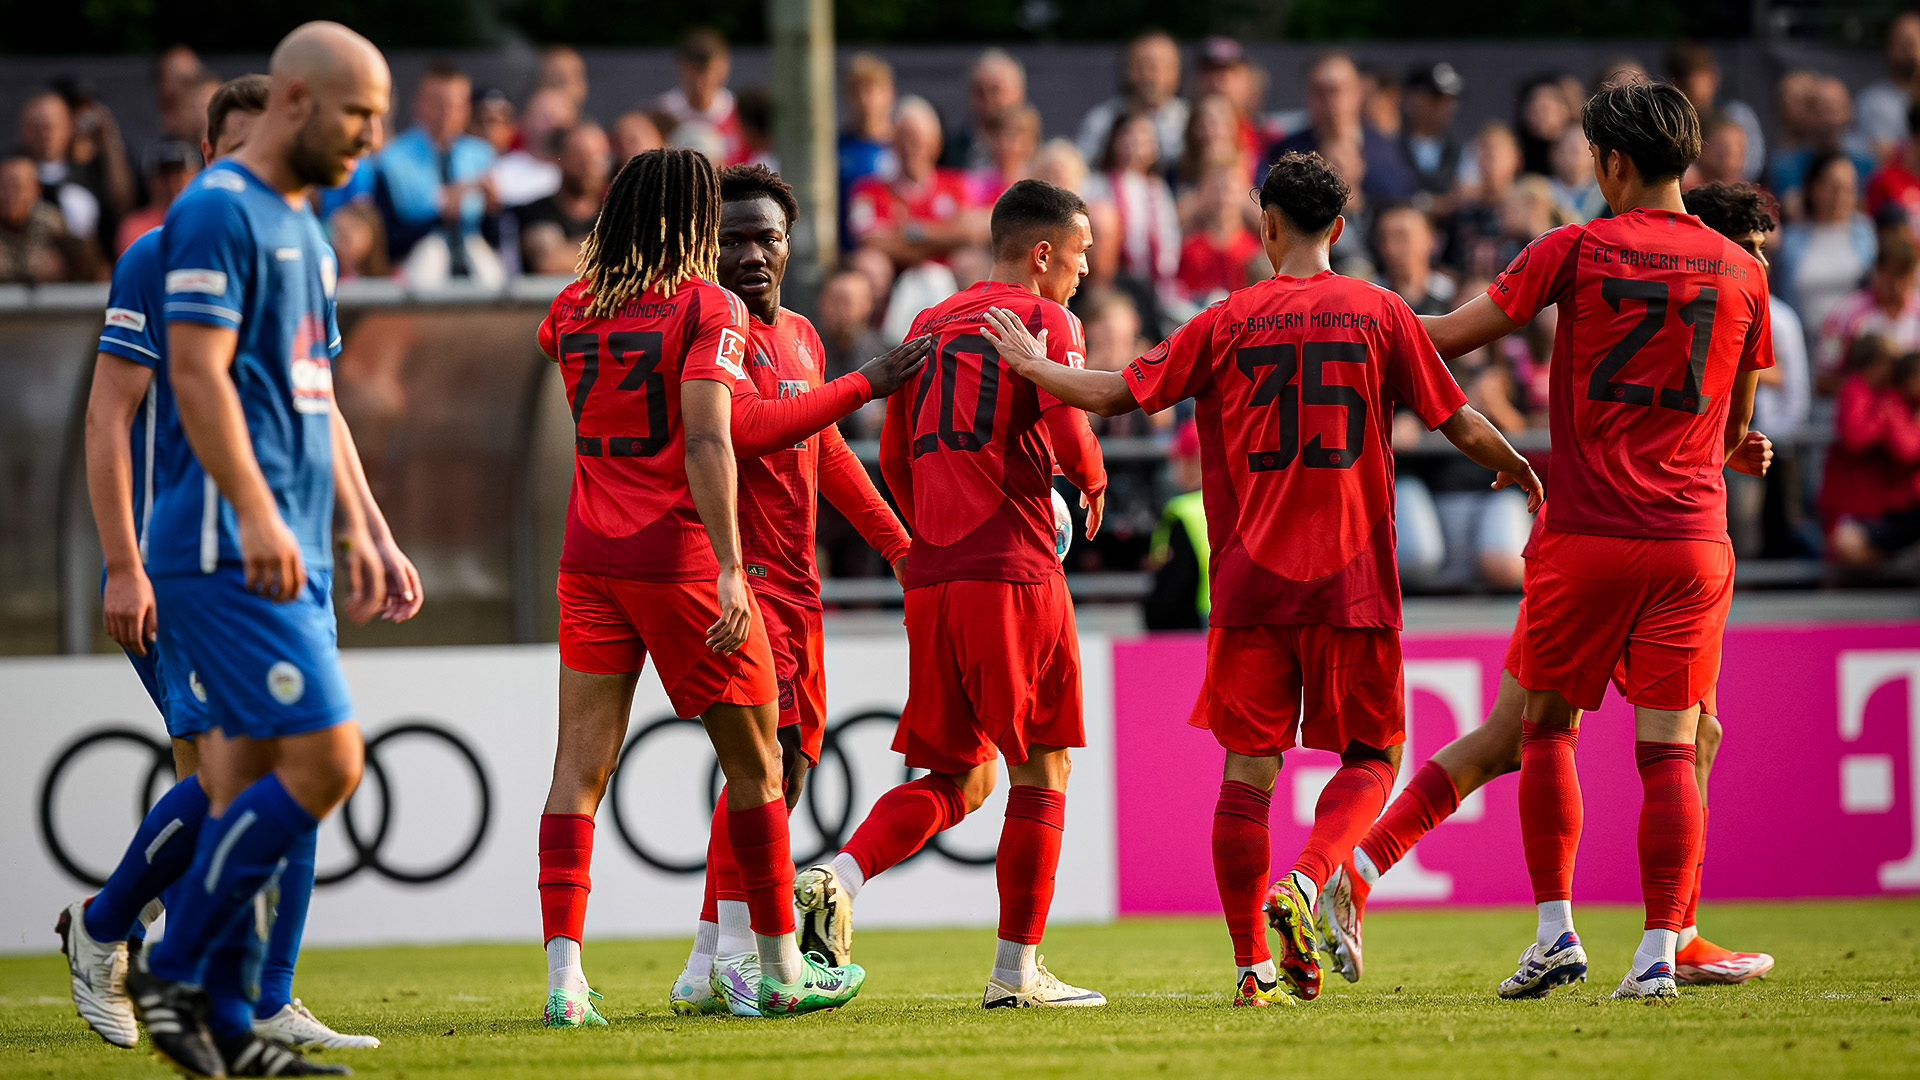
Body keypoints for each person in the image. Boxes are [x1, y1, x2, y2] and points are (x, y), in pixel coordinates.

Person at [981, 151, 1541, 1006]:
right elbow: (1457, 418)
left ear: (1268, 225)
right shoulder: (1380, 312)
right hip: (1351, 579)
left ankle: (1252, 969)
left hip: (1248, 585)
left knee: (1248, 772)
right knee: (1372, 753)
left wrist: (1035, 368)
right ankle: (1312, 879)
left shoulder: (1227, 319)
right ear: (1341, 229)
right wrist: (1521, 470)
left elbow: (1114, 397)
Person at [1320, 178, 1783, 990]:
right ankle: (1657, 937)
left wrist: (1348, 321)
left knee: (1572, 735)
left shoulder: (1584, 251)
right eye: (1747, 248)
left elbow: (1456, 335)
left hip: (1592, 536)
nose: (1748, 263)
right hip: (1675, 537)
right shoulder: (1727, 275)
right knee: (1633, 739)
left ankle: (1654, 933)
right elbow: (1732, 418)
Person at [62, 72, 409, 1064]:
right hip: (209, 556)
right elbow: (112, 414)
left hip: (286, 556)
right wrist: (125, 563)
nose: (364, 138)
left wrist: (369, 532)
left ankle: (242, 995)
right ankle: (135, 938)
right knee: (273, 768)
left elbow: (319, 403)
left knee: (265, 775)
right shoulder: (180, 237)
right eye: (354, 115)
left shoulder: (307, 237)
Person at [532, 147, 869, 1028]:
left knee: (577, 771)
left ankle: (565, 983)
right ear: (691, 220)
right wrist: (729, 565)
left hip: (586, 560)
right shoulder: (706, 305)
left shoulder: (568, 310)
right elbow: (712, 439)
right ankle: (779, 970)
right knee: (760, 766)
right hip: (677, 558)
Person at [792, 179, 1110, 1009]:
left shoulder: (926, 323)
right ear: (1043, 253)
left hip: (935, 577)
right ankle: (1017, 973)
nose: (1082, 274)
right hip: (1012, 569)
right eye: (1078, 257)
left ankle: (839, 874)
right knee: (1044, 762)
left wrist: (934, 526)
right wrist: (1090, 478)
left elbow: (893, 455)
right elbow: (1072, 415)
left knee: (961, 776)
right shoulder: (1044, 319)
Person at [669, 164, 928, 1017]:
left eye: (765, 238)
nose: (750, 254)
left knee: (778, 770)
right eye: (732, 239)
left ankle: (709, 959)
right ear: (707, 249)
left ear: (790, 246)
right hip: (747, 586)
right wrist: (867, 385)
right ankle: (738, 954)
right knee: (768, 769)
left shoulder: (805, 337)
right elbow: (741, 429)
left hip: (802, 591)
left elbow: (825, 451)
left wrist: (898, 548)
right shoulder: (716, 333)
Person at [371, 60, 500, 285]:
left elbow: (494, 237)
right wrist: (440, 213)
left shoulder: (482, 156)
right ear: (419, 103)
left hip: (472, 252)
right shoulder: (391, 160)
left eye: (456, 104)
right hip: (414, 260)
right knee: (431, 258)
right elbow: (389, 239)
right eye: (439, 103)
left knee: (494, 278)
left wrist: (492, 209)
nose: (447, 113)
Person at [845, 96, 985, 276]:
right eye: (902, 139)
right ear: (893, 143)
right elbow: (869, 239)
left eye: (917, 139)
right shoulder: (868, 190)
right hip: (897, 272)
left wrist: (914, 231)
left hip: (948, 272)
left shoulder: (958, 184)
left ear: (935, 144)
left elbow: (969, 234)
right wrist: (938, 241)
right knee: (869, 262)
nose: (910, 148)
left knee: (972, 261)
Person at [1273, 52, 1414, 205]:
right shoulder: (1286, 153)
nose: (1328, 101)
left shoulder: (1391, 149)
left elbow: (1402, 203)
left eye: (1335, 90)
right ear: (1307, 96)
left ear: (1357, 93)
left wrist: (1354, 187)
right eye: (1318, 91)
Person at [1772, 151, 1875, 349]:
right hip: (1804, 346)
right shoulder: (1791, 240)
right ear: (1814, 188)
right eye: (1833, 187)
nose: (1840, 196)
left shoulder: (1867, 235)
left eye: (1848, 188)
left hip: (1857, 350)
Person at [1814, 229, 1920, 394]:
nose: (1898, 287)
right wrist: (1868, 385)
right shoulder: (1843, 316)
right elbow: (1824, 380)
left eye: (1904, 278)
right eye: (1891, 279)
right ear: (1877, 272)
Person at [1076, 31, 1188, 166]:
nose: (1150, 76)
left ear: (1176, 73)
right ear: (1128, 71)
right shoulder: (1102, 120)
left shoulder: (1191, 121)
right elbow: (1081, 168)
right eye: (1141, 66)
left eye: (1160, 66)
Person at [515, 122, 609, 275]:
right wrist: (616, 250)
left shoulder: (613, 215)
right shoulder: (536, 212)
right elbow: (549, 261)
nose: (589, 165)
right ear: (560, 158)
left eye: (598, 156)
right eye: (579, 155)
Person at [1667, 42, 1763, 181]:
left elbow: (1751, 168)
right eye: (1682, 85)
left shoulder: (1739, 115)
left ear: (1715, 75)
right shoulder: (1668, 126)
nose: (1686, 94)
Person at [657, 29, 746, 166]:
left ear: (723, 66)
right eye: (694, 70)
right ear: (681, 66)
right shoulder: (662, 113)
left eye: (707, 70)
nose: (700, 81)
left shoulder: (739, 114)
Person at [837, 52, 896, 251]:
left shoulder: (905, 147)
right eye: (856, 92)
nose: (864, 100)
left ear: (889, 93)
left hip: (897, 249)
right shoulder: (837, 148)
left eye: (871, 90)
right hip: (851, 253)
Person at [0, 154, 80, 282]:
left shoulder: (51, 223)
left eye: (16, 187)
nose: (9, 195)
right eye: (3, 186)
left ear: (35, 190)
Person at [945, 49, 1028, 171]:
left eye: (995, 90)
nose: (987, 99)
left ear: (1019, 93)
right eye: (979, 90)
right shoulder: (949, 152)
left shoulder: (1041, 156)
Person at [1857, 12, 1920, 159]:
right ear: (1889, 47)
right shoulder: (1871, 101)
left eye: (1912, 42)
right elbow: (1874, 151)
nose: (1907, 49)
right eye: (1901, 42)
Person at [1400, 62, 1466, 202]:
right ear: (1412, 98)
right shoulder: (1388, 147)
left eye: (1452, 99)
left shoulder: (1463, 151)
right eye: (1436, 97)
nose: (1447, 105)